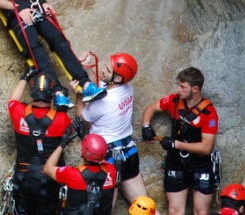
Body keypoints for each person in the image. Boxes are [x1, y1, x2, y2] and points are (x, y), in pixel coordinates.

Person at [73, 52, 157, 214]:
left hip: (109, 158)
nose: (103, 70)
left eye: (107, 69)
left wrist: (78, 94)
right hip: (128, 152)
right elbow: (99, 87)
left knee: (104, 210)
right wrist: (88, 69)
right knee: (145, 207)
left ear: (117, 78)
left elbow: (82, 117)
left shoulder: (104, 101)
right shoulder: (126, 88)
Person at [141, 67, 219, 215]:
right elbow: (151, 108)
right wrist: (146, 126)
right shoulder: (174, 101)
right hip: (176, 163)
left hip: (201, 165)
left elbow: (206, 148)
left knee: (201, 211)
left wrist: (175, 144)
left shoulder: (209, 113)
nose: (178, 90)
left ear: (195, 88)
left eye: (182, 87)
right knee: (175, 211)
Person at [7, 68, 74, 215]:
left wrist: (24, 77)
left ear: (31, 93)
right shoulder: (62, 119)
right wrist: (61, 110)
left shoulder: (18, 112)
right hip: (49, 180)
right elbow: (67, 128)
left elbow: (12, 102)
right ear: (52, 96)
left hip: (23, 178)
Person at [44, 131, 118, 215]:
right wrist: (86, 139)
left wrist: (62, 144)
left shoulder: (72, 174)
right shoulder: (111, 170)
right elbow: (99, 158)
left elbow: (48, 168)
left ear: (81, 152)